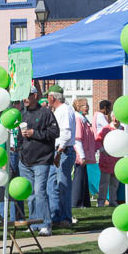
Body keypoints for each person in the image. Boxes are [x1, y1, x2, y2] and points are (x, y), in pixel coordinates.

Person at [17, 86, 59, 236]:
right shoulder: (23, 114)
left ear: (35, 96)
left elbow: (55, 132)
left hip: (42, 160)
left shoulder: (46, 113)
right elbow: (19, 137)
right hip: (25, 160)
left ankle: (46, 224)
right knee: (31, 194)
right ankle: (34, 223)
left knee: (40, 192)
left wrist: (35, 133)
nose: (25, 99)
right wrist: (20, 149)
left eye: (28, 96)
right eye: (23, 96)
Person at [45, 85, 76, 228]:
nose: (47, 99)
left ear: (52, 97)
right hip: (58, 151)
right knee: (52, 186)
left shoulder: (64, 110)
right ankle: (56, 216)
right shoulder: (60, 110)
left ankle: (65, 218)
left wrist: (58, 152)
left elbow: (66, 133)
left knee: (63, 186)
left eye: (48, 96)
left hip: (63, 151)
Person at [0, 100, 25, 222]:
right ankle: (2, 217)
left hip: (20, 153)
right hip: (9, 153)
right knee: (6, 185)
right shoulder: (4, 119)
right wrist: (3, 161)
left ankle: (17, 216)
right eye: (14, 103)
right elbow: (0, 140)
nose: (17, 105)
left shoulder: (22, 117)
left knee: (19, 185)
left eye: (18, 103)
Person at [71, 99, 96, 208]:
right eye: (85, 105)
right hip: (80, 155)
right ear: (79, 107)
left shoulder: (84, 119)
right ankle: (76, 203)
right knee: (79, 178)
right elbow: (77, 139)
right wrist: (82, 156)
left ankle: (85, 202)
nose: (87, 107)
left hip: (85, 153)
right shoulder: (78, 119)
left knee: (84, 178)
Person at [96, 112, 122, 207]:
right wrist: (103, 150)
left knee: (114, 184)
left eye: (117, 117)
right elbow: (98, 141)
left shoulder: (122, 129)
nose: (115, 119)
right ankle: (101, 202)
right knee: (104, 183)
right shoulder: (106, 129)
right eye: (114, 117)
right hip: (106, 160)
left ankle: (113, 201)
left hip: (117, 160)